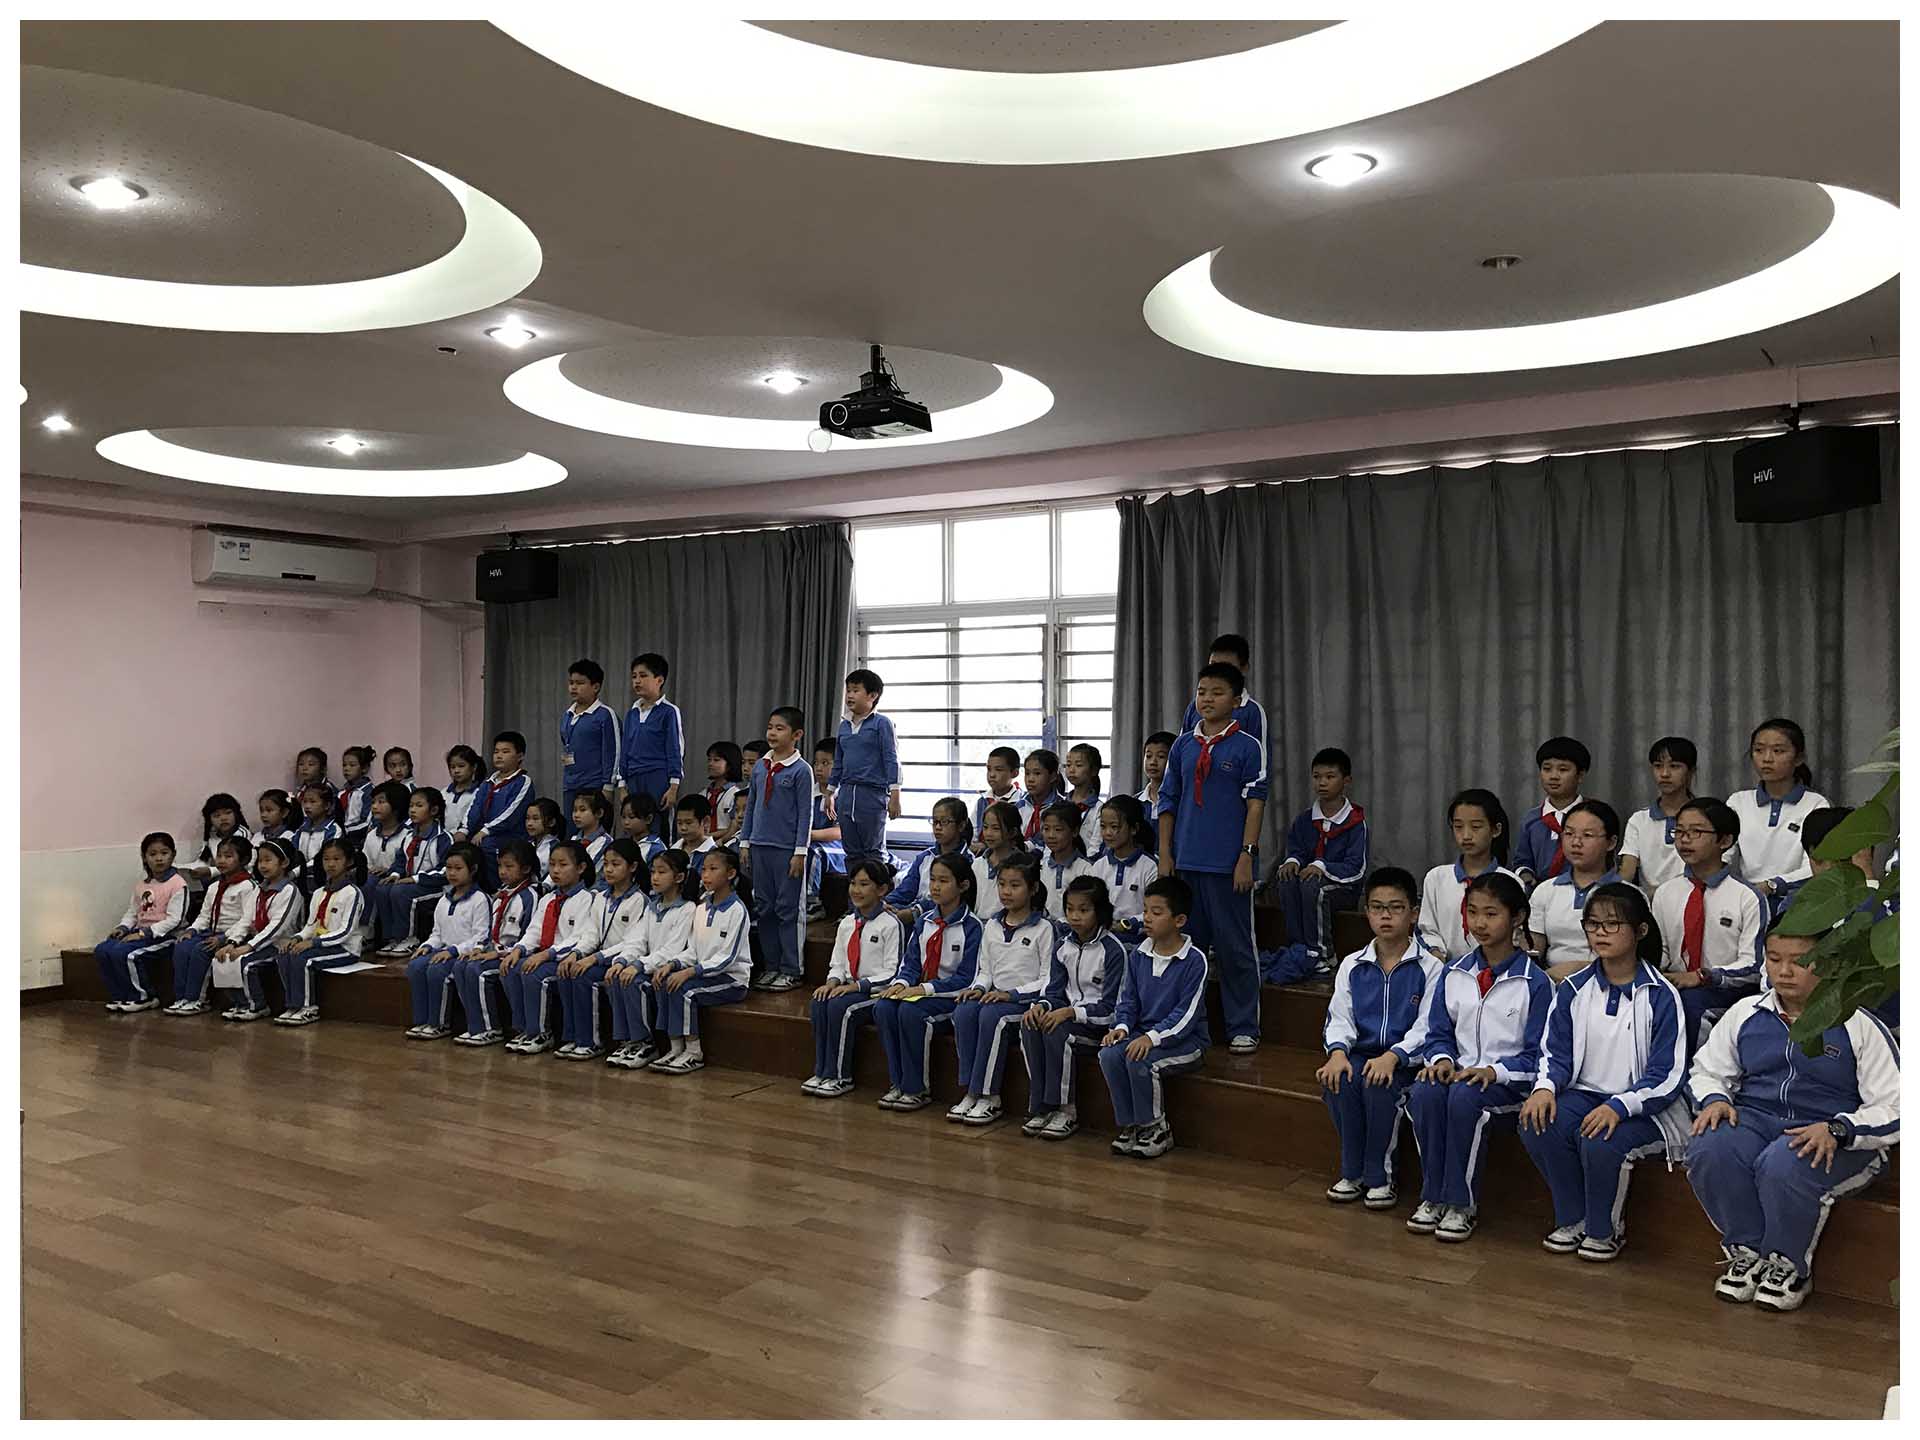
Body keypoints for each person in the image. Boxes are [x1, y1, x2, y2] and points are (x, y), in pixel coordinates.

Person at [1685, 926, 1899, 1311]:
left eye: (1800, 962)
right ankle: (1747, 1250)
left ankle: (1788, 1264)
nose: (1784, 971)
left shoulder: (1858, 1023)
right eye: (1774, 959)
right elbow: (1707, 1071)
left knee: (1783, 1163)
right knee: (1711, 1147)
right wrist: (1714, 1098)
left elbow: (1897, 1107)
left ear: (1828, 963)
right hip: (1757, 1120)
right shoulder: (1745, 1013)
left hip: (1835, 1134)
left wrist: (1840, 1128)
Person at [1518, 883, 1689, 1262]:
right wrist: (1544, 1088)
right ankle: (1573, 1218)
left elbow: (1667, 1074)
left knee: (1599, 1139)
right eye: (1592, 924)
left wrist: (1619, 1106)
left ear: (1640, 930)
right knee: (1537, 1121)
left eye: (1612, 924)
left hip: (1645, 1108)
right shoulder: (1573, 988)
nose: (1600, 933)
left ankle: (1604, 1231)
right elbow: (1554, 1051)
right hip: (1583, 1094)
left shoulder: (1661, 994)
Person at [1405, 871, 1553, 1242]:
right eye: (1472, 912)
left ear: (1517, 917)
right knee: (1424, 1093)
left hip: (1508, 1086)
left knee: (1465, 1096)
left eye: (1491, 913)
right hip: (1460, 1077)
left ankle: (1461, 1204)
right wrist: (1440, 1060)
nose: (1479, 923)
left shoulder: (1536, 983)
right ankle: (1432, 1195)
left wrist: (1494, 1071)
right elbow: (1438, 1033)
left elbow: (1539, 1056)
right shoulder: (1454, 972)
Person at [1316, 867, 1446, 1211]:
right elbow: (1339, 1016)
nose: (1385, 916)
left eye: (1396, 907)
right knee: (1340, 1079)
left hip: (1405, 1062)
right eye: (1377, 908)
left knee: (1377, 1084)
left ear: (1413, 913)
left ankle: (1380, 1176)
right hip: (1360, 1054)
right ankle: (1352, 1171)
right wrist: (1338, 1053)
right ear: (1367, 912)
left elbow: (1429, 1026)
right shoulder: (1352, 964)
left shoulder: (1431, 968)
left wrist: (1394, 1056)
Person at [1157, 662, 1268, 1054]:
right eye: (1202, 691)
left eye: (1217, 692)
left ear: (1236, 701)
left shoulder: (1247, 746)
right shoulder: (1182, 746)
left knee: (1236, 948)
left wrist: (1246, 855)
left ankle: (1243, 1026)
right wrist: (1165, 854)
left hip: (1227, 865)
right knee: (1188, 948)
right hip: (1186, 862)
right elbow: (1167, 800)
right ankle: (1188, 1023)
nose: (1207, 699)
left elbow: (1255, 804)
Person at [1099, 875, 1210, 1160]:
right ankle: (1131, 1124)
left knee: (1141, 1060)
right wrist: (1122, 1028)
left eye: (1157, 912)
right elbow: (1128, 1000)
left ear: (1179, 920)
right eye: (1145, 910)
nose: (1147, 918)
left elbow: (1185, 1016)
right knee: (1110, 1054)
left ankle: (1156, 1127)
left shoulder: (1195, 960)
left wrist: (1151, 1038)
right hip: (1143, 1035)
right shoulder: (1138, 954)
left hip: (1186, 1042)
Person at [1652, 797, 1768, 1052]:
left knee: (1690, 1004)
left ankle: (1688, 1073)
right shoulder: (1665, 892)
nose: (1684, 840)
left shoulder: (1747, 897)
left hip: (1727, 989)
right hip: (1677, 983)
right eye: (1679, 831)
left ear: (1724, 841)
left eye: (1696, 832)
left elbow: (1754, 966)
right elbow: (1661, 951)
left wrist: (1703, 976)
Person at [948, 857, 1057, 1127]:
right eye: (1002, 884)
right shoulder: (992, 925)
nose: (1006, 891)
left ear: (1032, 888)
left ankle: (989, 1096)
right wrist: (978, 988)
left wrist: (1013, 995)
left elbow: (1047, 979)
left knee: (992, 1018)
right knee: (964, 1012)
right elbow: (985, 969)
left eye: (1015, 885)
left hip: (1025, 1002)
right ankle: (971, 1091)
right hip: (994, 997)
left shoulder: (1044, 928)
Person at [871, 854, 984, 1111]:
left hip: (948, 998)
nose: (935, 887)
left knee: (910, 1012)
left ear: (963, 885)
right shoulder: (925, 921)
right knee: (884, 1007)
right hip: (920, 993)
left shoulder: (972, 927)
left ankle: (916, 1089)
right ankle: (897, 1082)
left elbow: (966, 979)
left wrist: (923, 989)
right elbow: (911, 963)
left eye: (943, 881)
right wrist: (901, 983)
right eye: (933, 880)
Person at [1020, 875, 1125, 1141]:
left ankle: (1065, 1110)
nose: (1075, 916)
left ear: (1099, 911)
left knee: (1058, 1032)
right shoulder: (1062, 946)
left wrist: (1070, 1012)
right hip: (1066, 1017)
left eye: (1083, 910)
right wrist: (1041, 1006)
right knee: (1031, 1023)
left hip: (1097, 1027)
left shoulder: (1113, 950)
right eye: (1069, 909)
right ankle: (1041, 1105)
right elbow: (1054, 992)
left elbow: (1111, 1009)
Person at [802, 858, 906, 1097]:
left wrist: (856, 987)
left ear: (882, 889)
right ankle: (822, 1071)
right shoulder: (848, 923)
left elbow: (892, 972)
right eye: (853, 883)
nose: (856, 890)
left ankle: (840, 1076)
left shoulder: (891, 924)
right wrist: (832, 982)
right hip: (849, 988)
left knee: (842, 1008)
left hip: (875, 993)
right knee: (820, 1002)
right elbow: (838, 962)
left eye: (864, 884)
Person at [648, 847, 753, 1074]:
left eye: (713, 869)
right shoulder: (702, 907)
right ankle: (676, 1047)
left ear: (730, 874)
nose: (706, 875)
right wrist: (672, 964)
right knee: (666, 982)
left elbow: (726, 958)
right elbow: (693, 950)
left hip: (731, 979)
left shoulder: (737, 910)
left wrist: (690, 972)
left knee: (686, 992)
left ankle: (694, 1052)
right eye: (704, 869)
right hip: (703, 974)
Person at [1269, 747, 1369, 966]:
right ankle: (1298, 948)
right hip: (1309, 884)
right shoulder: (1305, 820)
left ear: (1346, 781)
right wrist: (1292, 861)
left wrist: (1321, 866)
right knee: (1286, 880)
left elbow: (1356, 868)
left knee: (1314, 887)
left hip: (1343, 888)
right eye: (1317, 777)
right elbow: (1297, 849)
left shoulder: (1355, 822)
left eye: (1330, 777)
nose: (1322, 783)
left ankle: (1322, 954)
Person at [554, 838, 649, 1059]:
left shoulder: (639, 900)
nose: (608, 869)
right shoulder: (600, 898)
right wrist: (577, 953)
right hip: (602, 959)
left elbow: (632, 942)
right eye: (605, 864)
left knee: (586, 976)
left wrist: (595, 958)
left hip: (624, 960)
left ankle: (593, 1041)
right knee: (568, 970)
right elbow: (591, 933)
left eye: (615, 864)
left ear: (633, 866)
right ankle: (575, 1036)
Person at [499, 840, 598, 1054]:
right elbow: (534, 931)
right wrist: (518, 950)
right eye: (552, 864)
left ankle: (541, 1032)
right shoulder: (548, 899)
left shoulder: (588, 899)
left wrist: (546, 954)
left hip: (564, 958)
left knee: (533, 974)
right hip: (545, 955)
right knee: (511, 967)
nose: (555, 870)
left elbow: (579, 937)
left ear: (581, 868)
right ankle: (524, 1028)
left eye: (563, 865)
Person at [741, 706, 813, 992]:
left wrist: (800, 851)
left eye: (780, 728)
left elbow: (806, 815)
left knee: (787, 909)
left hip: (787, 850)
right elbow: (751, 807)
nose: (772, 733)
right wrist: (745, 842)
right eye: (770, 727)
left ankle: (792, 969)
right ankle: (771, 966)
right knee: (765, 908)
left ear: (796, 735)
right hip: (759, 847)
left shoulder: (801, 770)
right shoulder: (761, 766)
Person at [604, 849, 697, 1068]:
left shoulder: (687, 908)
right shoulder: (652, 906)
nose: (655, 877)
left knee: (634, 982)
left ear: (679, 877)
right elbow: (637, 940)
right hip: (649, 966)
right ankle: (628, 1040)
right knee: (617, 976)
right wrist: (623, 961)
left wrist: (638, 965)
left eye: (662, 872)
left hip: (667, 969)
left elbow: (671, 950)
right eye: (653, 871)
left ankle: (645, 1042)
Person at [1730, 717, 1831, 905]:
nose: (1767, 759)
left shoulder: (1816, 804)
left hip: (1798, 900)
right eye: (1759, 750)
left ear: (1799, 758)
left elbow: (1818, 864)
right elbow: (1721, 854)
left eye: (1778, 751)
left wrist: (1773, 885)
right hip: (1748, 900)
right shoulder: (1738, 802)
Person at [448, 840, 539, 1046]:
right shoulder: (500, 896)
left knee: (477, 970)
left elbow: (530, 938)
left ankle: (490, 1028)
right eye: (499, 866)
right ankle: (475, 1025)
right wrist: (479, 949)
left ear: (525, 869)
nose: (502, 872)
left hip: (514, 955)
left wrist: (498, 953)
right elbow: (489, 933)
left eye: (509, 866)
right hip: (494, 951)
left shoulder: (529, 897)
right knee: (461, 964)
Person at [271, 838, 366, 1026]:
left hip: (345, 949)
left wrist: (313, 943)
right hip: (321, 945)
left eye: (336, 859)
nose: (330, 864)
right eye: (326, 859)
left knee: (304, 959)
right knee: (284, 954)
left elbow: (345, 931)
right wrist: (297, 938)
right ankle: (293, 1005)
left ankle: (308, 1008)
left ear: (348, 862)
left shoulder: (352, 893)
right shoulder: (318, 893)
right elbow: (311, 925)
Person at [1526, 800, 1624, 980]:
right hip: (1552, 980)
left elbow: (1631, 959)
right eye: (1569, 833)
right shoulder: (1546, 891)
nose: (1576, 842)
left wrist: (1579, 970)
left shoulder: (1627, 895)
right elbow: (1533, 949)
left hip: (1607, 982)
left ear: (1611, 842)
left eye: (1587, 835)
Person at [402, 843, 490, 1040]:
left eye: (458, 868)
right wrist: (427, 946)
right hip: (443, 951)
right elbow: (437, 933)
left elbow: (480, 937)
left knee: (436, 970)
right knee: (416, 966)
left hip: (462, 955)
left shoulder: (479, 899)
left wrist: (453, 951)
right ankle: (422, 1020)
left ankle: (439, 1023)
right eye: (449, 868)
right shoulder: (444, 899)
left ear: (473, 869)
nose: (452, 873)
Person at [1417, 789, 1517, 961]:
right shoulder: (1436, 878)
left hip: (1493, 969)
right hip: (1444, 968)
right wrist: (1437, 955)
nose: (1466, 835)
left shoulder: (1510, 882)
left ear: (1496, 830)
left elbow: (1513, 935)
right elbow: (1427, 930)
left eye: (1476, 827)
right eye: (1458, 827)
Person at [163, 835, 257, 1015]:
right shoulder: (214, 886)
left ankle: (197, 999)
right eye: (219, 856)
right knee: (182, 946)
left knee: (200, 950)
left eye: (228, 856)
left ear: (244, 860)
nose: (221, 860)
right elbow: (204, 915)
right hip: (210, 932)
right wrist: (192, 930)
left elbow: (246, 920)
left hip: (233, 936)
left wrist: (223, 938)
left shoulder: (248, 886)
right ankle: (182, 997)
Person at [217, 839, 307, 1021]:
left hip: (280, 944)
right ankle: (240, 1003)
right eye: (260, 861)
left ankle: (257, 1006)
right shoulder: (259, 889)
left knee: (245, 964)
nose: (262, 865)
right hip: (259, 941)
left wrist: (248, 947)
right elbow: (246, 919)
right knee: (223, 958)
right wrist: (232, 942)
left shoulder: (289, 891)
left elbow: (277, 928)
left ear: (284, 863)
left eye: (268, 860)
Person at [1177, 634, 1270, 788]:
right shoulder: (1195, 707)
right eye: (1213, 665)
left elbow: (1260, 768)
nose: (1217, 673)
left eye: (1226, 667)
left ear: (1244, 668)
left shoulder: (1252, 711)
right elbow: (1179, 756)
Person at [369, 786, 450, 956]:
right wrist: (395, 875)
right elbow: (400, 861)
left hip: (436, 887)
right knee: (383, 888)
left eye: (419, 806)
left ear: (434, 810)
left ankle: (409, 939)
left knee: (401, 892)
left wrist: (415, 879)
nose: (413, 810)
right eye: (411, 806)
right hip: (411, 883)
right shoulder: (409, 837)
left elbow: (445, 870)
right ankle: (391, 938)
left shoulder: (443, 838)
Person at [833, 667, 902, 864]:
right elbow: (838, 761)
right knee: (851, 851)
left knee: (873, 851)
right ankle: (854, 884)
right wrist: (830, 792)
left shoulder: (882, 723)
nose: (850, 695)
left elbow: (891, 759)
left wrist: (895, 795)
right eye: (848, 690)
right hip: (846, 793)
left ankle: (878, 883)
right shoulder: (844, 725)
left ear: (873, 695)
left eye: (856, 690)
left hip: (872, 793)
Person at [617, 653, 683, 841]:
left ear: (659, 680)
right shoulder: (631, 714)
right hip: (633, 778)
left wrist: (673, 787)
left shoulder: (669, 712)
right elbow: (624, 751)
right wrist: (622, 785)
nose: (637, 681)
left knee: (658, 826)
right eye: (634, 676)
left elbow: (675, 750)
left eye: (643, 676)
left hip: (658, 777)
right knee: (634, 827)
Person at [1620, 737, 1697, 892]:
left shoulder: (1706, 818)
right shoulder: (1639, 820)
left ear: (1691, 771)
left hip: (1695, 898)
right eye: (1658, 766)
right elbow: (1627, 871)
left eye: (1674, 766)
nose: (1664, 774)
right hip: (1649, 900)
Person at [1512, 737, 1591, 887]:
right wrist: (1526, 875)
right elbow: (1522, 861)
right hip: (1539, 892)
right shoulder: (1531, 819)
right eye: (1547, 769)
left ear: (1580, 775)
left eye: (1563, 770)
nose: (1553, 776)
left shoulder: (1595, 817)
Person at [886, 797, 974, 919]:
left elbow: (953, 899)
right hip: (913, 910)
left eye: (944, 822)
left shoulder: (969, 861)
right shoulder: (924, 857)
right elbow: (905, 890)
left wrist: (916, 912)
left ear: (961, 825)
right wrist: (885, 903)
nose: (937, 827)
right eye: (935, 821)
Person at [469, 731, 535, 887]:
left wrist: (486, 830)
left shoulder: (523, 781)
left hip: (510, 836)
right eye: (496, 752)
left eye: (505, 752)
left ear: (520, 756)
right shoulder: (488, 783)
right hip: (485, 834)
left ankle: (495, 889)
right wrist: (464, 830)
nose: (499, 756)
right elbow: (475, 808)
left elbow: (511, 813)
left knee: (486, 846)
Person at [1090, 794, 1158, 941]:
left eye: (1114, 827)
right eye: (1103, 826)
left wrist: (1127, 924)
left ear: (1134, 829)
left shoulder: (1150, 866)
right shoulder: (1099, 866)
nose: (1107, 833)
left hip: (1140, 941)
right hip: (1103, 939)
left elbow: (1155, 910)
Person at [560, 658, 619, 823]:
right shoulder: (567, 715)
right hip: (571, 784)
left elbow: (613, 752)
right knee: (572, 831)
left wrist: (608, 786)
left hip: (594, 785)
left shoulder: (605, 715)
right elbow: (566, 745)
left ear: (596, 687)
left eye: (580, 683)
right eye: (571, 682)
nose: (573, 687)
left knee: (595, 831)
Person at [806, 738, 845, 919]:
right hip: (812, 841)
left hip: (841, 848)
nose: (818, 768)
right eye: (816, 763)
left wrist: (809, 835)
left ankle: (812, 902)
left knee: (815, 852)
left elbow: (840, 832)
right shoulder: (808, 793)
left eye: (825, 763)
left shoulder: (843, 795)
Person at [1037, 801, 1093, 922]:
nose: (1051, 835)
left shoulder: (1086, 869)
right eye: (1046, 829)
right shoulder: (1041, 867)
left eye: (1058, 830)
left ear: (1074, 831)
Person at [359, 780, 413, 897]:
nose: (374, 806)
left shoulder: (408, 835)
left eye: (381, 802)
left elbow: (407, 867)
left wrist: (389, 871)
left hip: (396, 883)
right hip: (372, 881)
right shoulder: (372, 834)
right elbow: (366, 863)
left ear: (397, 805)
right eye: (373, 802)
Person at [182, 793, 250, 885]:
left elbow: (240, 866)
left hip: (240, 881)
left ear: (236, 814)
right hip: (220, 878)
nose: (223, 818)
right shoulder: (212, 836)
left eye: (228, 813)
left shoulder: (242, 835)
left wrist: (211, 871)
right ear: (210, 820)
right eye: (217, 815)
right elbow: (203, 861)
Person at [971, 800, 1027, 912]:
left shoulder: (1023, 865)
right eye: (985, 827)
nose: (988, 833)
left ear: (1012, 832)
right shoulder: (977, 864)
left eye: (996, 828)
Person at [290, 783, 343, 896]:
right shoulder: (301, 829)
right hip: (300, 874)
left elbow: (324, 859)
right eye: (305, 801)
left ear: (327, 805)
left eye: (312, 802)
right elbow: (292, 851)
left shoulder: (333, 830)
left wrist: (296, 872)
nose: (307, 806)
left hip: (322, 876)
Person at [972, 746, 1024, 845]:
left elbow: (1022, 837)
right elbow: (974, 833)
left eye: (998, 770)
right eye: (989, 769)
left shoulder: (1022, 803)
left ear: (1015, 773)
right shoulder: (982, 801)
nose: (992, 775)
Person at [1015, 749, 1066, 847]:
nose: (1030, 779)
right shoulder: (1019, 806)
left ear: (1053, 776)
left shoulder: (1061, 807)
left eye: (1037, 773)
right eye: (1027, 773)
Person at [1063, 743, 1107, 855]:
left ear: (1094, 771)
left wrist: (1083, 863)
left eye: (1078, 765)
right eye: (1068, 765)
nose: (1071, 770)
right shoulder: (1060, 804)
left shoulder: (1100, 809)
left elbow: (1096, 847)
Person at [703, 741, 747, 849]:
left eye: (716, 760)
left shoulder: (735, 794)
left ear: (730, 764)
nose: (710, 764)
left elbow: (735, 827)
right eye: (709, 759)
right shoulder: (703, 794)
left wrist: (708, 837)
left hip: (726, 845)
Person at [672, 794, 718, 893]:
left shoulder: (714, 854)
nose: (683, 828)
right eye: (679, 823)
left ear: (705, 822)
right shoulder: (673, 849)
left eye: (688, 823)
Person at [337, 745, 377, 845]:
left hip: (359, 840)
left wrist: (346, 830)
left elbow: (368, 822)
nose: (346, 769)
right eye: (344, 765)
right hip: (341, 837)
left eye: (352, 765)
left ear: (364, 768)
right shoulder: (341, 792)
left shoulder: (369, 792)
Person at [443, 744, 484, 839]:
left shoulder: (479, 793)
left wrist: (462, 832)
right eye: (452, 767)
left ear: (474, 767)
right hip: (444, 839)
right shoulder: (444, 793)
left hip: (466, 839)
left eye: (461, 766)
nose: (456, 771)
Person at [571, 789, 614, 873]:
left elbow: (586, 870)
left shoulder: (606, 842)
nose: (576, 815)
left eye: (582, 810)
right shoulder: (573, 839)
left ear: (599, 813)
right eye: (575, 810)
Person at [1137, 731, 1175, 818]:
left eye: (1161, 756)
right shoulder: (1135, 802)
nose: (1153, 762)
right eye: (1148, 756)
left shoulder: (1181, 801)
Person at [525, 798, 563, 885]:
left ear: (551, 822)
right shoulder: (528, 845)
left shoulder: (556, 847)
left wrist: (545, 887)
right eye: (527, 818)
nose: (529, 823)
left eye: (535, 819)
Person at [255, 788, 298, 853]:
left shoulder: (290, 837)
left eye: (269, 810)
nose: (263, 815)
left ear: (284, 813)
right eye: (261, 810)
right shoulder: (257, 836)